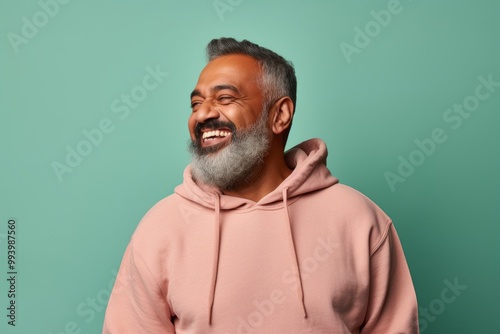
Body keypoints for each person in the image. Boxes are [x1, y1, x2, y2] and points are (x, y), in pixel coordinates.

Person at [103, 37, 419, 333]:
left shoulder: (360, 219)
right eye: (196, 103)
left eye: (224, 98)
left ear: (279, 115)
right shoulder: (161, 227)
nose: (202, 115)